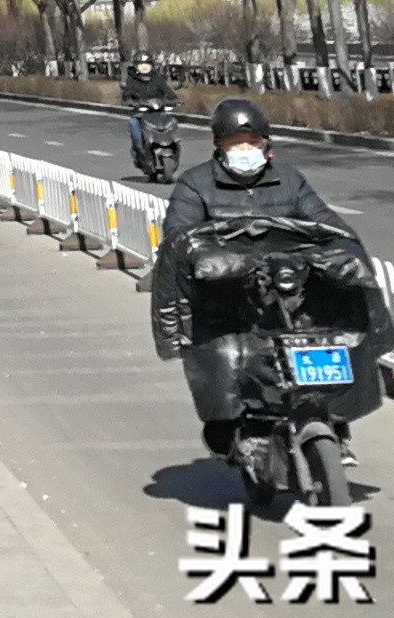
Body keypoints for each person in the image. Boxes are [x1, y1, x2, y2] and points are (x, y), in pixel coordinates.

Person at [149, 97, 372, 462]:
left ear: (265, 144)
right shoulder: (195, 185)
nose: (244, 150)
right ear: (219, 145)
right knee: (226, 365)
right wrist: (214, 262)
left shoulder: (291, 180)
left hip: (290, 296)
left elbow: (327, 224)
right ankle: (242, 430)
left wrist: (342, 253)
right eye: (234, 143)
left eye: (251, 142)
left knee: (334, 341)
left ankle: (336, 424)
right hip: (228, 301)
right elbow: (180, 239)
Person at [118, 51, 177, 170]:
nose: (144, 67)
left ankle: (173, 144)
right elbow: (126, 95)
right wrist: (130, 99)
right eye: (141, 64)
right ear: (136, 66)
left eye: (147, 64)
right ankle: (140, 150)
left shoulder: (157, 79)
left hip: (158, 113)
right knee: (133, 123)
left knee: (172, 122)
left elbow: (168, 92)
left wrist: (173, 100)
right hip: (140, 113)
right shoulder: (132, 79)